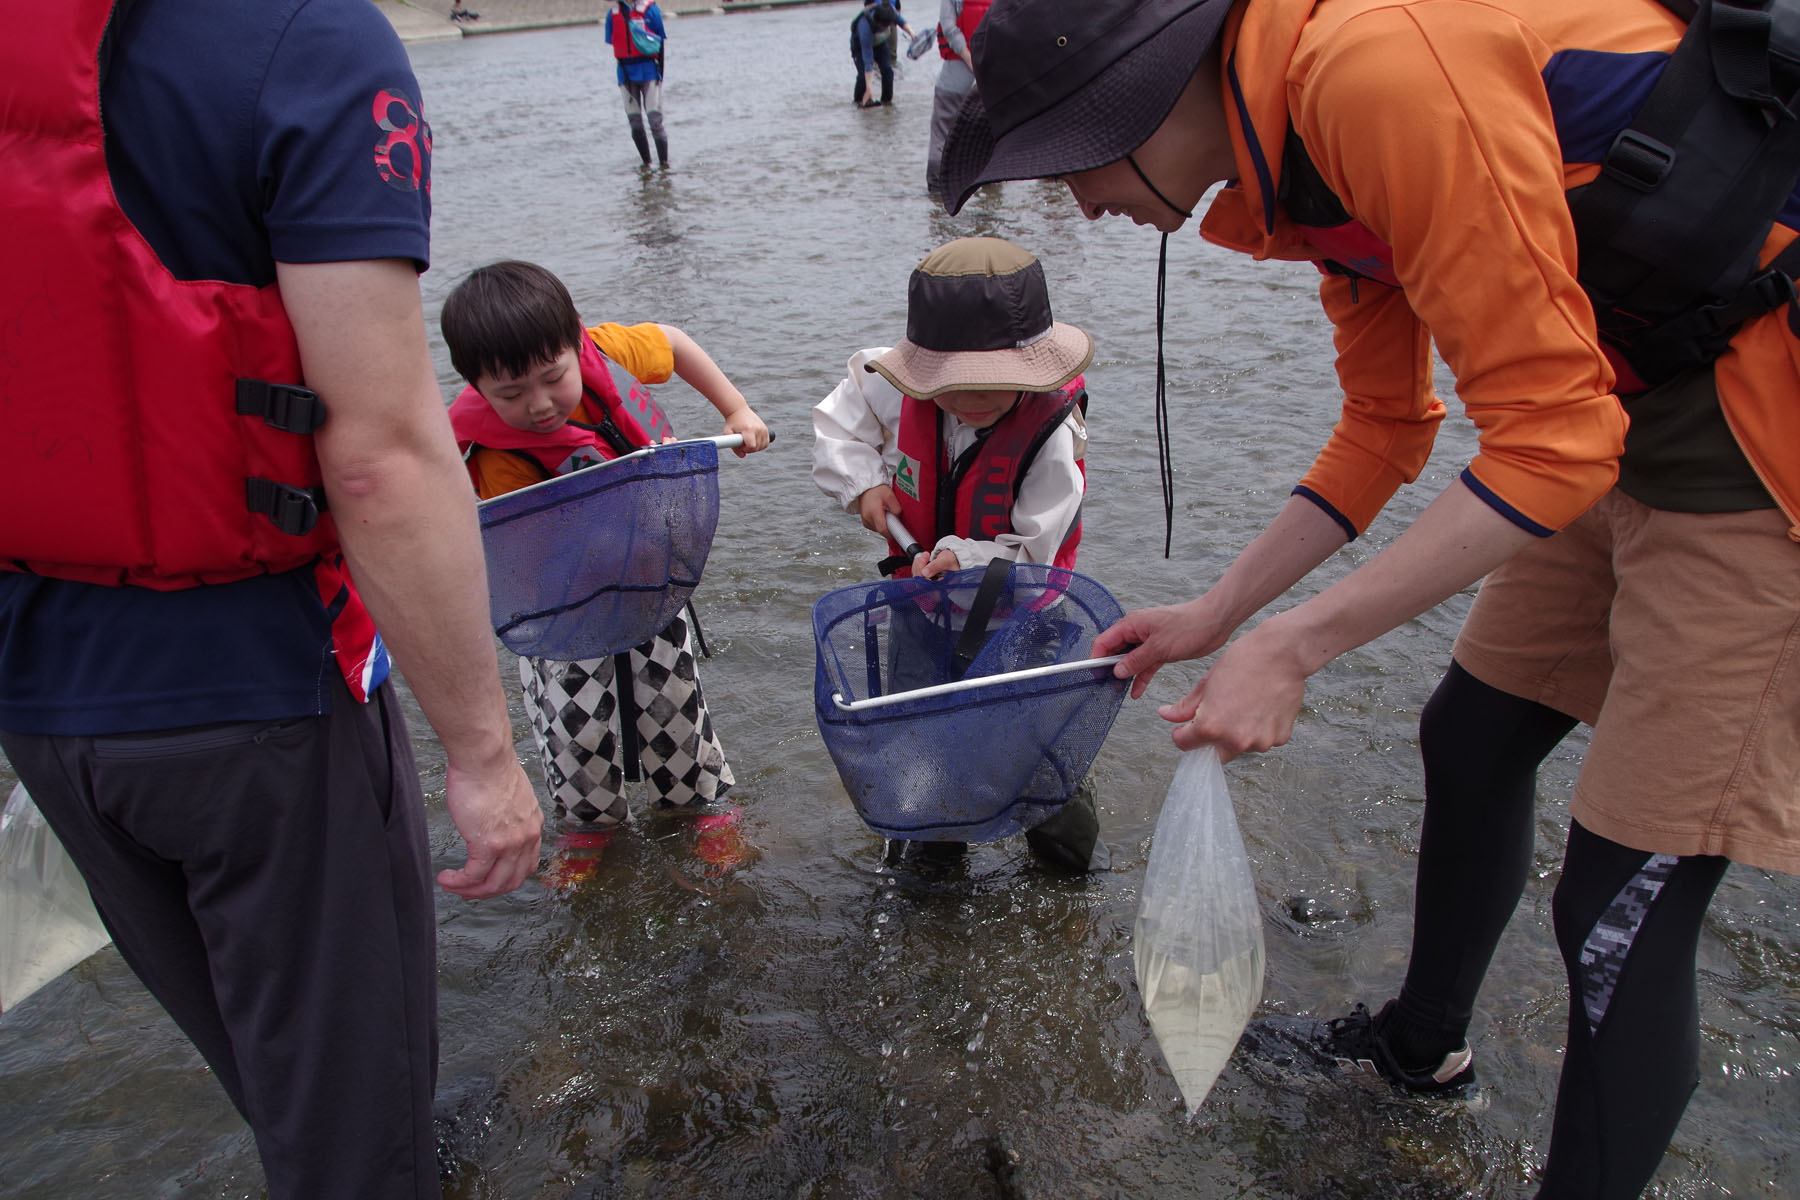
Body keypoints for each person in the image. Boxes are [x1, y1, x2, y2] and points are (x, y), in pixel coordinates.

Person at [938, 0, 1800, 1195]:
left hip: (1765, 442)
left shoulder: (1373, 73)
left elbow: (1547, 440)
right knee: (1476, 730)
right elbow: (1389, 428)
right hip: (1622, 402)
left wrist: (1297, 647)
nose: (1077, 204)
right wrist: (1222, 616)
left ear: (1134, 92)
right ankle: (1421, 1047)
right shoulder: (1288, 157)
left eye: (1062, 160)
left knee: (1619, 901)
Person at [0, 1, 544, 1197]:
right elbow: (379, 456)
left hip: (41, 705)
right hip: (260, 703)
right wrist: (483, 754)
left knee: (281, 1091)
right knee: (355, 1141)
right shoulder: (303, 38)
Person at [440, 260, 769, 869]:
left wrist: (737, 408)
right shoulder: (474, 449)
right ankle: (588, 827)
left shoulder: (606, 349)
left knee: (673, 700)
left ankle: (703, 806)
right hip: (556, 613)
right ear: (476, 387)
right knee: (573, 723)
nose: (539, 405)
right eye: (510, 394)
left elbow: (672, 342)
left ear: (575, 341)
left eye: (552, 378)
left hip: (647, 585)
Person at [812, 236, 1109, 872]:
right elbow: (839, 423)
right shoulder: (892, 386)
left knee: (1037, 750)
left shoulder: (1052, 437)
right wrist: (862, 482)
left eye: (993, 385)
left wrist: (964, 557)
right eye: (953, 385)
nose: (972, 399)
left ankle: (1065, 872)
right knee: (919, 741)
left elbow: (1035, 551)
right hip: (923, 614)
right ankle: (931, 861)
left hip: (1021, 626)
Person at [925, 0, 983, 195]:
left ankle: (937, 191)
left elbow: (949, 27)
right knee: (990, 131)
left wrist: (968, 58)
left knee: (942, 131)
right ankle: (991, 186)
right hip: (991, 69)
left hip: (958, 73)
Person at [605, 0, 669, 167]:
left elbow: (661, 43)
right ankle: (647, 163)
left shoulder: (651, 11)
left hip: (649, 71)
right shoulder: (612, 15)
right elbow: (614, 40)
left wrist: (661, 75)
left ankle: (664, 166)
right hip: (625, 74)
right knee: (635, 124)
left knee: (655, 122)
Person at [851, 2, 903, 108]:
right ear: (878, 23)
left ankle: (887, 103)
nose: (887, 28)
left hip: (880, 44)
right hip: (860, 48)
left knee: (888, 71)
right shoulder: (865, 26)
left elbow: (902, 22)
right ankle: (858, 102)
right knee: (862, 77)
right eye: (885, 26)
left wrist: (913, 35)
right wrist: (869, 89)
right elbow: (868, 61)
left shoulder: (889, 13)